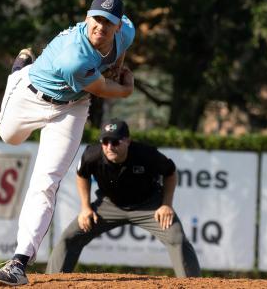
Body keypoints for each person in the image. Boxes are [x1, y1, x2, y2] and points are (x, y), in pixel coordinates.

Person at [0, 0, 135, 286]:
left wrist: (119, 62)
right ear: (86, 17)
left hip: (72, 107)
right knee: (9, 137)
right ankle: (18, 71)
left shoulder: (126, 31)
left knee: (46, 181)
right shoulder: (74, 56)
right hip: (31, 95)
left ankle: (18, 263)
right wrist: (127, 89)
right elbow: (104, 88)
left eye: (109, 22)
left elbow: (124, 43)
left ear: (118, 26)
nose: (101, 27)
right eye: (96, 19)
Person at [45, 118, 201, 277]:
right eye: (105, 142)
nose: (109, 147)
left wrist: (166, 204)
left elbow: (170, 173)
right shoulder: (92, 155)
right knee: (70, 238)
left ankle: (193, 285)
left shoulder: (146, 154)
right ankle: (53, 283)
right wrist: (85, 207)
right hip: (109, 205)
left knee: (176, 238)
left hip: (149, 206)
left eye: (115, 142)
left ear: (128, 141)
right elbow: (82, 175)